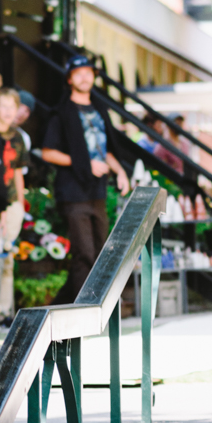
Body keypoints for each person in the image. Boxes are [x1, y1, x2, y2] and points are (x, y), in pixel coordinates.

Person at [41, 54, 130, 303]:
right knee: (84, 252)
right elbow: (47, 152)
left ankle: (65, 304)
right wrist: (83, 163)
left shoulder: (99, 109)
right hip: (73, 191)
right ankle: (86, 306)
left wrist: (120, 171)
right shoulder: (61, 112)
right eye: (78, 73)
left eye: (88, 72)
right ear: (69, 78)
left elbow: (106, 149)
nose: (84, 77)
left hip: (97, 191)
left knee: (100, 251)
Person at [0, 87, 29, 322]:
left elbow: (17, 172)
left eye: (11, 107)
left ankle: (4, 309)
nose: (6, 112)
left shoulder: (18, 137)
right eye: (2, 106)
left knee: (7, 256)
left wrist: (21, 204)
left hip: (12, 201)